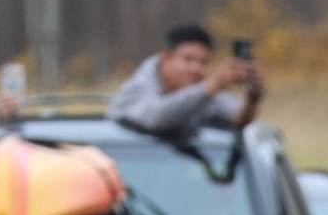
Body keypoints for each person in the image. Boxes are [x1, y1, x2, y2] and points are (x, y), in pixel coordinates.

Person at [107, 24, 264, 138]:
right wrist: (211, 86)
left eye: (203, 62)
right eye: (188, 60)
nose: (196, 69)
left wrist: (253, 96)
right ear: (165, 58)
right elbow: (155, 117)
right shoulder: (139, 86)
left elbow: (239, 119)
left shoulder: (202, 90)